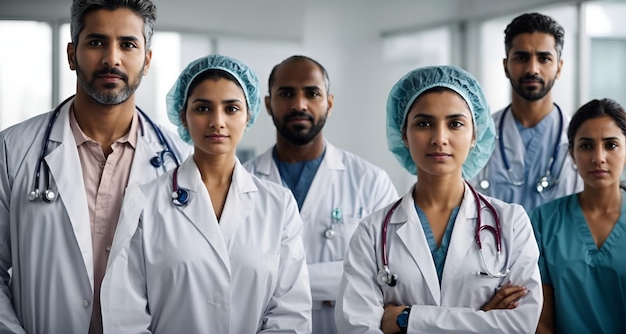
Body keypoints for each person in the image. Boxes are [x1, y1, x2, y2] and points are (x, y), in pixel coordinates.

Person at [0, 0, 191, 333]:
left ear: (147, 60)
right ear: (72, 54)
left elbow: (190, 284)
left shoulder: (182, 163)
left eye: (128, 44)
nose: (111, 58)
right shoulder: (12, 150)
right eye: (96, 42)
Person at [100, 54, 312, 334]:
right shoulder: (144, 201)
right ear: (183, 116)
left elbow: (291, 313)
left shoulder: (278, 205)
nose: (217, 121)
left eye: (231, 108)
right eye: (202, 108)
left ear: (248, 115)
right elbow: (124, 314)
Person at [335, 65, 543, 334]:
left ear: (475, 135)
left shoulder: (511, 222)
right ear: (404, 135)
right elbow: (355, 327)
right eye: (424, 123)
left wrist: (406, 319)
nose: (439, 138)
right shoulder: (372, 232)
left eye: (455, 123)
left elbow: (520, 325)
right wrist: (482, 319)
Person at [244, 55, 398, 334]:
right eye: (286, 93)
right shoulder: (242, 182)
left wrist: (277, 279)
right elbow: (236, 276)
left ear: (329, 102)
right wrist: (342, 274)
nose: (299, 104)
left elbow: (388, 275)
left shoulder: (371, 182)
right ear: (268, 104)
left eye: (312, 93)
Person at [530, 98, 626, 334]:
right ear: (571, 153)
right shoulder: (543, 222)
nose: (598, 157)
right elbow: (540, 319)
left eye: (611, 145)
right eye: (586, 146)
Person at [473, 12, 582, 212]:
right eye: (522, 57)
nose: (532, 69)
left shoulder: (580, 141)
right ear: (506, 66)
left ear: (559, 67)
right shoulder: (477, 138)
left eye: (544, 58)